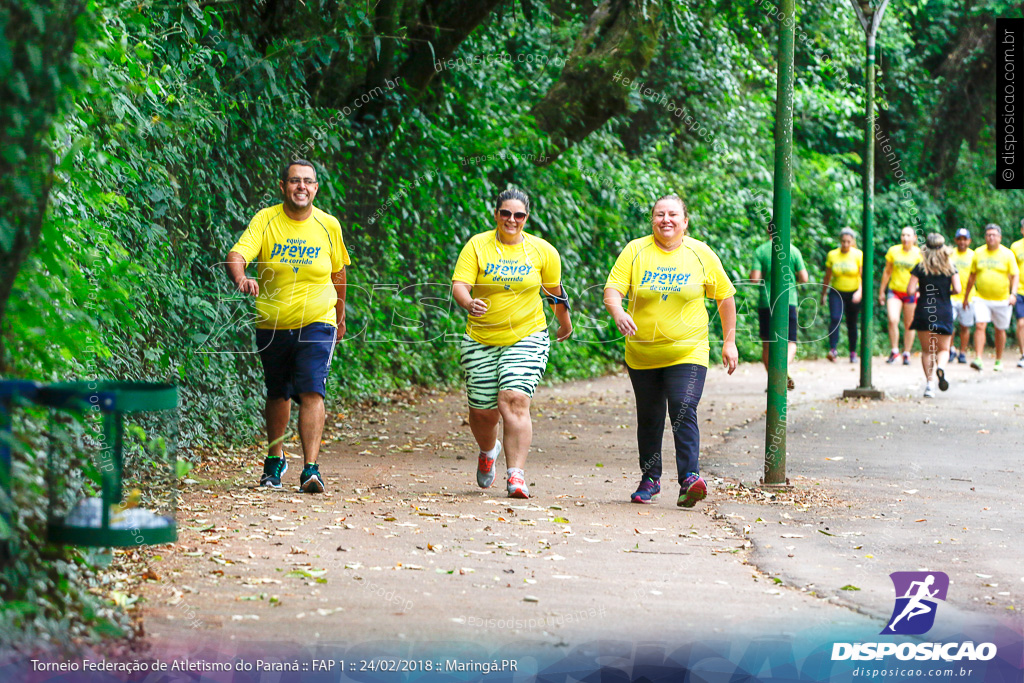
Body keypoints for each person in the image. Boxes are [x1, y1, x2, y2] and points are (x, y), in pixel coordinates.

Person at [604, 194, 738, 508]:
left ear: (684, 221)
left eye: (673, 215)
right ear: (652, 219)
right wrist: (618, 312)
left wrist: (729, 341)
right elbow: (612, 289)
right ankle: (650, 479)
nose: (666, 220)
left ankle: (690, 478)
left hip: (687, 350)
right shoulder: (636, 251)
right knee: (649, 417)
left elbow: (725, 298)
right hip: (643, 354)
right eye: (660, 214)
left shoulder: (700, 253)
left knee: (682, 406)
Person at [226, 159, 350, 493]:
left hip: (318, 320)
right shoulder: (265, 220)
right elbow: (237, 255)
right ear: (283, 186)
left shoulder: (328, 225)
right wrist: (241, 277)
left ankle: (311, 468)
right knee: (278, 391)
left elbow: (338, 273)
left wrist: (339, 315)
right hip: (273, 322)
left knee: (312, 388)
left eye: (308, 182)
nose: (301, 187)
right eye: (294, 181)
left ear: (316, 189)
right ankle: (275, 458)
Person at [451, 188, 572, 499]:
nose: (511, 220)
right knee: (482, 413)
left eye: (518, 215)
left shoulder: (542, 251)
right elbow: (460, 285)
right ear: (496, 215)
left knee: (513, 399)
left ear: (526, 218)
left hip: (527, 335)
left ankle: (516, 475)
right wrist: (468, 303)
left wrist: (564, 322)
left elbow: (555, 291)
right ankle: (488, 450)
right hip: (481, 337)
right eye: (505, 213)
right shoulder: (478, 245)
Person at [749, 223, 808, 388]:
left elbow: (754, 278)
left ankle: (774, 381)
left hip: (766, 301)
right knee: (791, 342)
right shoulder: (793, 250)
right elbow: (804, 277)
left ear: (768, 230)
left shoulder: (761, 250)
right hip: (788, 300)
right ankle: (784, 368)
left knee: (767, 343)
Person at [907, 234, 960, 398]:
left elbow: (909, 290)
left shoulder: (920, 267)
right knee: (943, 349)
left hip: (924, 310)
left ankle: (930, 384)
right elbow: (958, 289)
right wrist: (945, 291)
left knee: (927, 350)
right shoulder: (950, 267)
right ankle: (941, 368)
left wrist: (920, 290)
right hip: (943, 310)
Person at [963, 223, 1020, 371]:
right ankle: (979, 358)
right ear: (985, 237)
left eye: (994, 235)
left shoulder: (1007, 254)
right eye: (988, 235)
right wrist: (966, 296)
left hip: (1002, 299)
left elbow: (1015, 276)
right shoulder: (978, 253)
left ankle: (999, 359)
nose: (991, 238)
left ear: (1000, 237)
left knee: (1000, 330)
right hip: (981, 297)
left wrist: (1013, 294)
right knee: (980, 325)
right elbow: (972, 276)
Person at [878, 227, 922, 365]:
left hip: (911, 292)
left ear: (914, 238)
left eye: (908, 235)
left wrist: (920, 291)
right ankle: (894, 350)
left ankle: (907, 353)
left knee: (909, 324)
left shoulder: (919, 254)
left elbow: (923, 274)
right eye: (903, 235)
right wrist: (881, 291)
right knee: (892, 319)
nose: (905, 238)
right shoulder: (893, 251)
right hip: (894, 290)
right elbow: (887, 271)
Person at [820, 228, 863, 363]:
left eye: (848, 242)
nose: (845, 244)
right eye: (843, 241)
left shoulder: (858, 254)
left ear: (852, 242)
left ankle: (852, 352)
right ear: (840, 241)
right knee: (835, 318)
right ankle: (833, 349)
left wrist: (860, 291)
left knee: (852, 322)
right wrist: (823, 293)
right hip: (836, 291)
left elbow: (863, 276)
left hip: (853, 291)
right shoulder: (833, 255)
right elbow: (827, 276)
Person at [949, 228, 975, 364]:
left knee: (965, 326)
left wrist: (967, 297)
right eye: (959, 239)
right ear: (955, 240)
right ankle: (951, 349)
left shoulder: (973, 255)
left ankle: (963, 352)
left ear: (969, 241)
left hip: (968, 296)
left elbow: (975, 276)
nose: (962, 242)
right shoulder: (950, 254)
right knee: (949, 324)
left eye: (965, 239)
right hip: (951, 295)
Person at [1011, 219, 1024, 368]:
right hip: (1020, 290)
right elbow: (1012, 270)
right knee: (1021, 323)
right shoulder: (1015, 247)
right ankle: (1023, 354)